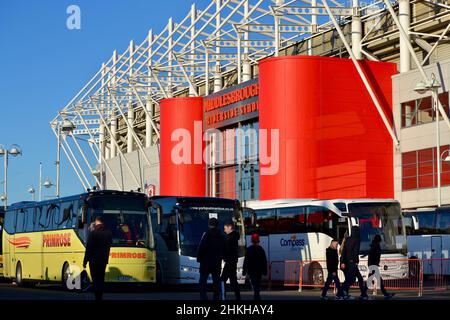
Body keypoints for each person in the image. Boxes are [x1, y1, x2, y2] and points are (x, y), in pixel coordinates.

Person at [83, 216, 113, 301]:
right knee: (101, 279)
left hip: (93, 261)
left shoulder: (93, 233)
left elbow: (89, 248)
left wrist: (85, 261)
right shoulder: (109, 233)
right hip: (103, 260)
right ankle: (100, 296)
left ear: (96, 222)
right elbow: (109, 245)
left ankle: (97, 297)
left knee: (95, 279)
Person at [197, 217, 225, 300]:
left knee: (203, 281)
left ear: (209, 225)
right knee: (216, 281)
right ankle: (216, 297)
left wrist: (199, 258)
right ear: (217, 225)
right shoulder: (221, 236)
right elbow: (224, 248)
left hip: (205, 262)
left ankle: (204, 297)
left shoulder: (206, 235)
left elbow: (201, 247)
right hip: (216, 262)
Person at [340, 226, 368, 300]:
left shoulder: (348, 239)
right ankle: (341, 293)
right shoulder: (357, 240)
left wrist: (342, 261)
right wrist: (356, 261)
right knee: (354, 279)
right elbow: (356, 251)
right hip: (353, 262)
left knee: (353, 278)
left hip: (347, 262)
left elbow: (343, 251)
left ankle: (362, 293)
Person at [368, 234, 395, 299]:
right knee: (378, 280)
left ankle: (385, 293)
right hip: (373, 265)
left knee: (376, 280)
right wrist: (374, 264)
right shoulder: (376, 246)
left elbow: (371, 256)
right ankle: (385, 294)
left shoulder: (374, 245)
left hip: (373, 265)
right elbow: (374, 256)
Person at [243, 234, 267, 300]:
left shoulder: (249, 249)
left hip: (251, 270)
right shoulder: (261, 249)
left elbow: (246, 261)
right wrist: (265, 271)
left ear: (251, 241)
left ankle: (256, 295)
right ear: (258, 241)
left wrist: (244, 271)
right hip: (258, 270)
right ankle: (257, 295)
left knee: (254, 284)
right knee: (257, 283)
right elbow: (264, 261)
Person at [220, 221, 241, 300]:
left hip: (229, 262)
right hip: (233, 261)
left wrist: (223, 256)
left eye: (225, 228)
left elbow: (227, 250)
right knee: (233, 281)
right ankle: (238, 297)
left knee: (222, 280)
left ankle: (222, 297)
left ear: (229, 227)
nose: (224, 230)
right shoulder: (234, 237)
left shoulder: (230, 238)